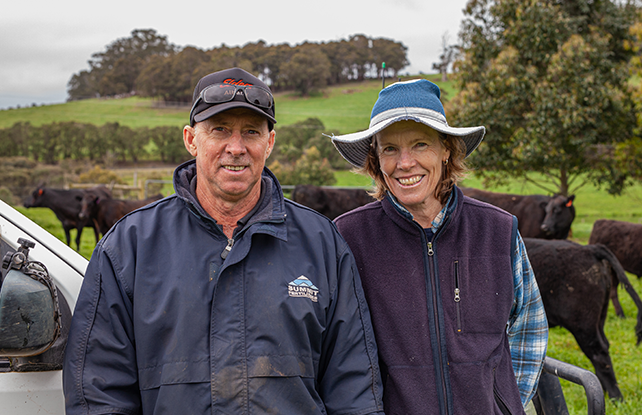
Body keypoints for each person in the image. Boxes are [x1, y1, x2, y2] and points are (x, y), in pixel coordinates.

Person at [63, 68, 385, 415]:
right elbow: (98, 393)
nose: (236, 147)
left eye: (251, 132)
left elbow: (354, 390)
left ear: (270, 143)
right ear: (191, 139)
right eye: (219, 130)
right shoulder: (129, 248)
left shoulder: (322, 245)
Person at [331, 79, 548, 415]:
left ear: (446, 150)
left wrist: (505, 403)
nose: (405, 163)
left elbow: (528, 325)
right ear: (376, 159)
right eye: (390, 148)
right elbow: (336, 349)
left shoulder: (497, 229)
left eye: (420, 145)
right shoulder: (349, 236)